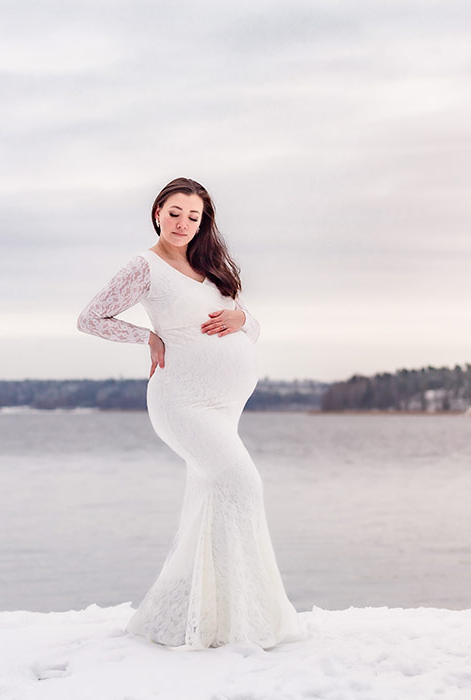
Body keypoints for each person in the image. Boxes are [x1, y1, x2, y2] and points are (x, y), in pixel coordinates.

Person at [76, 177, 304, 650]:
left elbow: (247, 327)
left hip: (225, 406)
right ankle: (235, 616)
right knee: (241, 485)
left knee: (214, 496)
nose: (183, 223)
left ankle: (204, 618)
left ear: (204, 223)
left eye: (193, 216)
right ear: (158, 211)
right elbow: (91, 317)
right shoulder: (144, 266)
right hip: (182, 400)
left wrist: (246, 320)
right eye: (175, 212)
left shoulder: (211, 267)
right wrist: (147, 337)